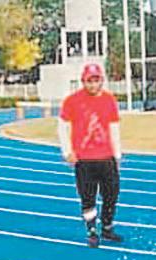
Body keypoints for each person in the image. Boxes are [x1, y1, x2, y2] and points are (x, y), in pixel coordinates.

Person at [58, 63, 124, 248]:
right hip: (84, 159)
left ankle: (107, 227)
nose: (93, 85)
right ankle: (92, 230)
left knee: (111, 195)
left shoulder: (109, 100)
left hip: (106, 157)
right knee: (88, 198)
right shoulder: (72, 101)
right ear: (83, 81)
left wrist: (117, 154)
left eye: (97, 80)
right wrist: (67, 151)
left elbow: (114, 128)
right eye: (90, 81)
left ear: (102, 80)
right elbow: (62, 127)